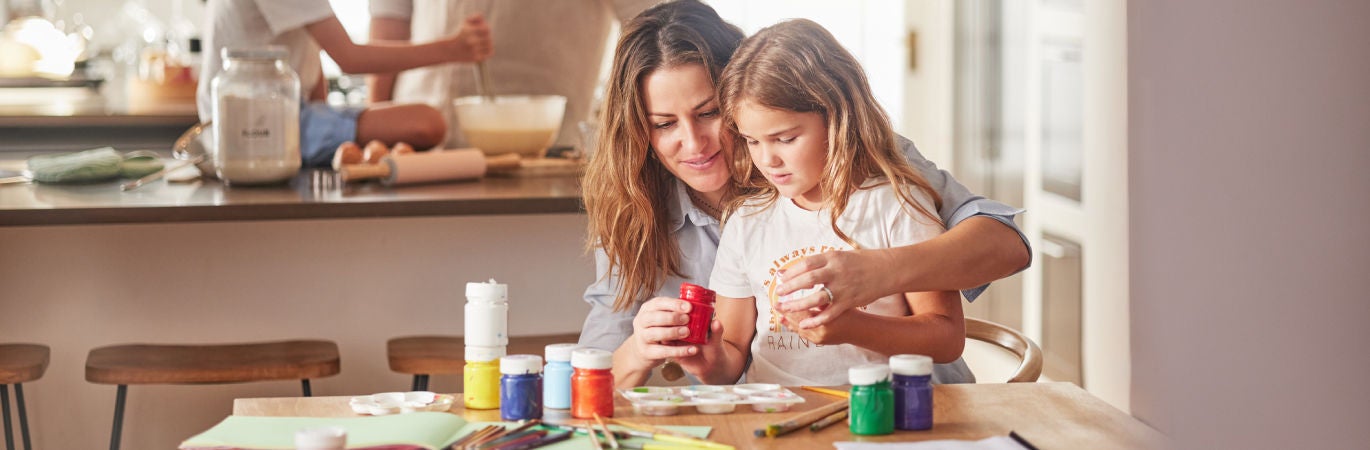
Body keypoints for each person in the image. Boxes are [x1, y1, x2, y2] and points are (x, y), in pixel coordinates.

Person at [578, 0, 1030, 387]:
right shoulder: (658, 210)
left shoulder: (871, 171)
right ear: (638, 133)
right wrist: (644, 350)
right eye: (663, 124)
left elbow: (1007, 246)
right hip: (773, 418)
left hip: (913, 408)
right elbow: (605, 368)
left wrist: (876, 272)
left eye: (710, 112)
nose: (694, 144)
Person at [686, 18, 965, 385]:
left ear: (837, 119)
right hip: (774, 417)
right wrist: (706, 359)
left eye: (785, 139)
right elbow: (733, 354)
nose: (767, 160)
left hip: (874, 416)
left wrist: (853, 327)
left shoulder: (895, 206)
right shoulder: (748, 219)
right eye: (752, 141)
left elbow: (946, 338)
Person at [198, 0, 493, 167]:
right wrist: (453, 49)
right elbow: (349, 58)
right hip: (253, 128)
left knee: (424, 123)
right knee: (428, 123)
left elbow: (309, 62)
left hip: (263, 116)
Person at [367, 0, 658, 150]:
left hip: (548, 155)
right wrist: (374, 130)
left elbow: (650, 28)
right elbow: (390, 24)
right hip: (416, 150)